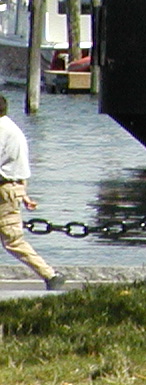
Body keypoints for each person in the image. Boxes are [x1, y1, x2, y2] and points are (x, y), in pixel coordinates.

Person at [0, 98, 64, 290]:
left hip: (3, 189)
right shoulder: (12, 128)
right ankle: (50, 275)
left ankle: (50, 275)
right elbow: (19, 168)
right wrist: (23, 193)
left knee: (12, 240)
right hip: (11, 188)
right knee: (13, 240)